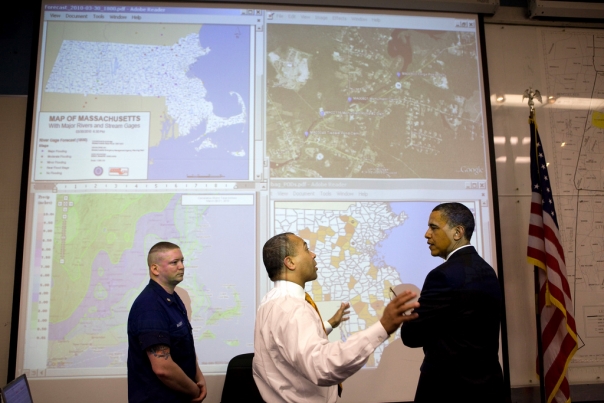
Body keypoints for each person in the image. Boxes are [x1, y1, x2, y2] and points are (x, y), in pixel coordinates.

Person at [253, 232, 420, 403]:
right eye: (306, 249)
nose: (313, 254)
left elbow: (287, 342)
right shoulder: (292, 308)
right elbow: (322, 366)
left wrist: (329, 324)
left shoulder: (271, 301)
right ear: (290, 262)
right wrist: (383, 327)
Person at [400, 202, 504, 403]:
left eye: (434, 227)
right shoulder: (488, 272)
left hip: (448, 390)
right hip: (489, 390)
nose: (426, 234)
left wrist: (406, 313)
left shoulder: (442, 276)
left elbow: (412, 336)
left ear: (457, 232)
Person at [127, 241, 207, 402]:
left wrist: (198, 377)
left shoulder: (172, 298)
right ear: (154, 269)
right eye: (174, 262)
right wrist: (193, 390)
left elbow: (184, 346)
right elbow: (162, 368)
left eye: (182, 261)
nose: (181, 266)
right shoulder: (150, 306)